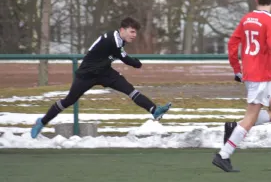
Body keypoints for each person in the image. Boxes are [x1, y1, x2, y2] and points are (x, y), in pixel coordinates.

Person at [31, 17, 172, 138]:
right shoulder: (113, 40)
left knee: (130, 89)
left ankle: (154, 110)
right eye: (132, 31)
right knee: (68, 101)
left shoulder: (118, 40)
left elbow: (120, 55)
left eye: (136, 32)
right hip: (87, 75)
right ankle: (41, 122)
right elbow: (127, 60)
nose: (134, 35)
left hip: (105, 72)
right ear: (122, 30)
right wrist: (137, 63)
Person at [212, 0, 271, 172]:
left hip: (258, 76)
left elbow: (232, 43)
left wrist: (237, 69)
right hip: (259, 76)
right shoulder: (270, 19)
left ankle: (235, 128)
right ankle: (223, 155)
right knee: (250, 118)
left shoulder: (246, 18)